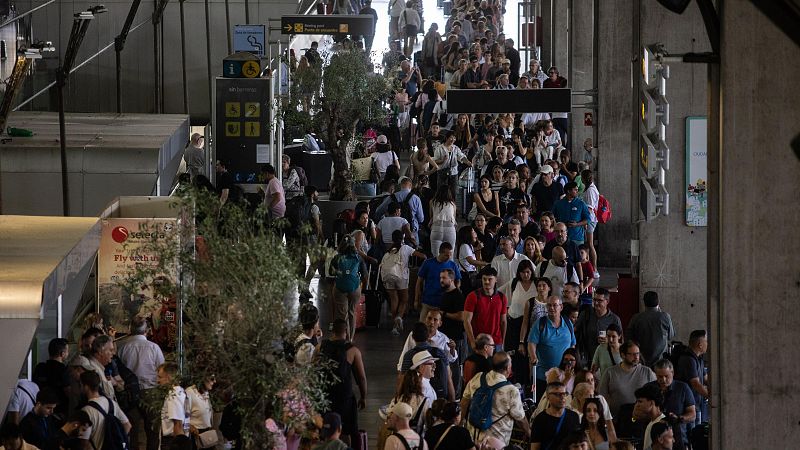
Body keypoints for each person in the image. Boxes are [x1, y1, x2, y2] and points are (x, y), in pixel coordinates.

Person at [116, 316, 164, 450]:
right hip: (151, 391)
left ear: (130, 329)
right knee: (153, 431)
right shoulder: (154, 347)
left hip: (129, 391)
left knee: (132, 429)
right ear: (146, 330)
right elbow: (162, 369)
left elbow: (118, 370)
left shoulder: (123, 347)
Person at [460, 352, 530, 445]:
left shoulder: (478, 377)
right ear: (508, 368)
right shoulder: (511, 390)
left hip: (473, 438)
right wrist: (529, 432)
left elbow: (464, 403)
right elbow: (520, 418)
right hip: (496, 442)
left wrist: (460, 425)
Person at [319, 319, 367, 447]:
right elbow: (361, 378)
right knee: (348, 431)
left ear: (332, 331)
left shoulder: (320, 347)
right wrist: (363, 397)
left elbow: (313, 371)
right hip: (344, 397)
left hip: (325, 395)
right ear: (346, 331)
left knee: (325, 429)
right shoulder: (353, 351)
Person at [398, 315, 457, 401]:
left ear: (413, 338)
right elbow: (449, 379)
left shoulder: (409, 355)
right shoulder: (439, 353)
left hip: (416, 398)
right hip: (439, 399)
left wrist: (398, 398)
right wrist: (452, 402)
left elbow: (402, 378)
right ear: (427, 337)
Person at [528, 296, 576, 400]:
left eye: (555, 305)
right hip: (543, 376)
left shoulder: (568, 323)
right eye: (549, 305)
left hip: (564, 375)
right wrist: (533, 356)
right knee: (541, 404)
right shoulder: (540, 323)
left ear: (561, 307)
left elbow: (573, 344)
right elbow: (531, 343)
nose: (552, 308)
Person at [499, 259, 536, 384]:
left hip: (528, 323)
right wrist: (505, 309)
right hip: (513, 322)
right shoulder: (514, 282)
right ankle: (513, 381)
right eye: (523, 272)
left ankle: (527, 383)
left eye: (528, 272)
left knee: (526, 354)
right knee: (513, 353)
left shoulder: (536, 284)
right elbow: (499, 291)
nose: (525, 275)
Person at [382, 230, 426, 335]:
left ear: (392, 239)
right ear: (403, 238)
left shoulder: (389, 250)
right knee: (404, 300)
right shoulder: (406, 248)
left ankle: (394, 324)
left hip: (389, 276)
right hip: (402, 277)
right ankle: (399, 317)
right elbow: (422, 256)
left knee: (394, 299)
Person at [645, 359, 695, 449]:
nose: (663, 380)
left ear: (672, 373)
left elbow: (692, 414)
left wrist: (679, 418)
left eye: (666, 376)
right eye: (659, 376)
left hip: (677, 436)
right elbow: (636, 414)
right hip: (654, 437)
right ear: (655, 374)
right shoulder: (649, 388)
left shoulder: (683, 388)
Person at [598, 341, 656, 418]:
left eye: (637, 353)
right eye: (632, 354)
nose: (636, 357)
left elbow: (656, 395)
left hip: (642, 418)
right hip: (617, 418)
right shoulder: (610, 372)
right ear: (623, 355)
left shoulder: (647, 372)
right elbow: (602, 397)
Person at [80, 370, 131, 450]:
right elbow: (127, 425)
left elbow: (84, 443)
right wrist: (118, 441)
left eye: (80, 385)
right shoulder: (111, 402)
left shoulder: (86, 411)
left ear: (86, 387)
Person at [437, 269, 468, 393]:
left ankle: (456, 392)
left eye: (444, 278)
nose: (441, 280)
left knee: (455, 365)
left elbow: (461, 316)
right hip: (444, 335)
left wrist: (444, 314)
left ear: (451, 279)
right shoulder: (444, 294)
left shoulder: (458, 295)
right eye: (440, 278)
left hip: (455, 336)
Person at [463, 267, 507, 354]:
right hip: (478, 341)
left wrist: (503, 341)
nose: (486, 282)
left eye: (490, 279)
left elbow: (503, 322)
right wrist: (472, 341)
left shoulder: (502, 297)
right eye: (484, 279)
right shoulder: (473, 296)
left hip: (496, 342)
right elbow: (466, 321)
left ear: (496, 280)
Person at [575, 288, 622, 368]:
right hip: (586, 359)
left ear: (607, 302)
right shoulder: (586, 314)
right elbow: (575, 330)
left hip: (606, 361)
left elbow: (620, 340)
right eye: (594, 300)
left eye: (599, 301)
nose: (596, 303)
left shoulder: (614, 319)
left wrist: (609, 340)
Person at [627, 291, 676, 368]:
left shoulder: (636, 318)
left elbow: (629, 339)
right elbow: (671, 336)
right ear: (658, 301)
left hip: (641, 360)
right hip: (660, 361)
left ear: (644, 302)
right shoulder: (665, 316)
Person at [415, 243, 462, 322]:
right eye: (446, 255)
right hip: (428, 302)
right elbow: (419, 282)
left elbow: (458, 281)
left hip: (444, 304)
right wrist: (416, 299)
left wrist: (455, 294)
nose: (449, 257)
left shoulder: (453, 265)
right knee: (423, 326)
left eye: (450, 255)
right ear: (440, 252)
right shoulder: (428, 263)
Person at [529, 382, 581, 450]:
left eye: (564, 394)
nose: (562, 397)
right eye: (557, 394)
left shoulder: (574, 416)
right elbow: (535, 447)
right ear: (548, 396)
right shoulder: (540, 419)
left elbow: (578, 441)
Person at [674, 330, 709, 431]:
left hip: (697, 404)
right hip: (687, 406)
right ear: (700, 344)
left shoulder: (699, 359)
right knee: (692, 434)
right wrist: (710, 396)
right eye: (706, 341)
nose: (708, 343)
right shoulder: (688, 359)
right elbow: (696, 384)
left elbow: (705, 379)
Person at [331, 236, 364, 341]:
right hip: (354, 287)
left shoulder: (337, 258)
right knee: (352, 312)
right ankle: (351, 339)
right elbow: (363, 273)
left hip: (340, 287)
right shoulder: (358, 257)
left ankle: (343, 338)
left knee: (342, 314)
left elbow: (332, 272)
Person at [32, 338, 70, 417]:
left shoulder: (40, 368)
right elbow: (68, 392)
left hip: (39, 410)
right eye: (67, 351)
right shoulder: (64, 370)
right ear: (62, 354)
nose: (68, 353)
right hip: (59, 413)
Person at [185, 376, 216, 450]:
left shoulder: (206, 392)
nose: (215, 381)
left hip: (207, 435)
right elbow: (183, 417)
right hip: (195, 436)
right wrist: (190, 427)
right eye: (212, 379)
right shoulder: (189, 393)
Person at [429, 184, 458, 258]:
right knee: (449, 255)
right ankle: (448, 269)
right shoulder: (452, 204)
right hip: (450, 230)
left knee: (436, 257)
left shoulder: (432, 202)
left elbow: (431, 217)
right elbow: (454, 219)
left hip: (436, 229)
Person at [633, 384, 666, 450]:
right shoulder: (650, 422)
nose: (637, 405)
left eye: (640, 401)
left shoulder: (663, 424)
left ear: (651, 403)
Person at [87, 335, 118, 402]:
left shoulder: (100, 368)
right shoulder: (93, 370)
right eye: (111, 350)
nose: (113, 353)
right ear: (100, 351)